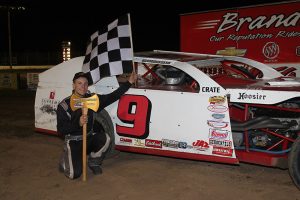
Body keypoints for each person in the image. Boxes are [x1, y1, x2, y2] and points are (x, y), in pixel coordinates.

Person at [56, 71, 137, 179]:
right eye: (79, 83)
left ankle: (94, 162)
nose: (83, 86)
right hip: (73, 142)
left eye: (85, 83)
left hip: (88, 138)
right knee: (73, 175)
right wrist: (78, 123)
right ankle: (66, 158)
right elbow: (61, 130)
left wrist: (129, 82)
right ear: (73, 85)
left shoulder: (92, 100)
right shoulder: (64, 105)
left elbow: (112, 97)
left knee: (106, 138)